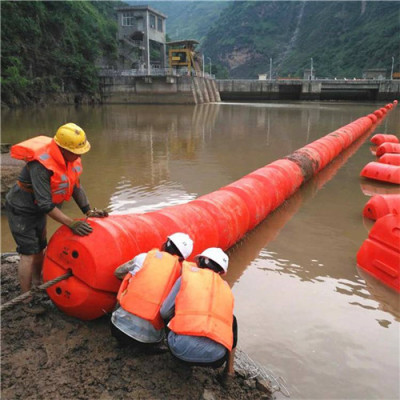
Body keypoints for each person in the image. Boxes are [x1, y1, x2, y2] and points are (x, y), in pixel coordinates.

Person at [5, 123, 108, 313]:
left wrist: (88, 210)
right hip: (22, 209)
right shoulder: (40, 165)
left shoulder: (71, 160)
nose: (80, 155)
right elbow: (45, 204)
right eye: (76, 151)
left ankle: (39, 284)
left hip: (37, 209)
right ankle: (26, 299)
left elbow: (75, 185)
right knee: (28, 252)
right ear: (62, 148)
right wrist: (71, 223)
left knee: (40, 247)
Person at [160, 247, 237, 381]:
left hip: (179, 350)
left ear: (200, 261)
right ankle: (229, 371)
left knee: (172, 310)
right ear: (221, 271)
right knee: (232, 322)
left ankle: (178, 352)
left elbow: (164, 312)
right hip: (216, 357)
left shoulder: (186, 277)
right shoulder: (226, 289)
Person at [111, 232, 194, 348]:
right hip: (147, 341)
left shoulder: (143, 257)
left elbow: (117, 273)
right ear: (181, 258)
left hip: (116, 326)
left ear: (166, 244)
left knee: (129, 276)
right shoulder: (180, 275)